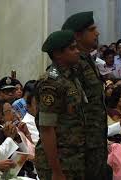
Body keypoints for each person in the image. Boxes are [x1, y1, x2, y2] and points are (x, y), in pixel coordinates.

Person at [62, 11, 110, 179]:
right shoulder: (73, 65)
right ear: (77, 35)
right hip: (82, 146)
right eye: (92, 29)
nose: (97, 33)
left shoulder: (88, 61)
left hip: (95, 141)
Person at [35, 30, 87, 180]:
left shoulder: (71, 76)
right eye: (72, 48)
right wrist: (56, 171)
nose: (78, 51)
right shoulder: (51, 83)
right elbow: (46, 129)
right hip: (59, 161)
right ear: (58, 54)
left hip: (75, 157)